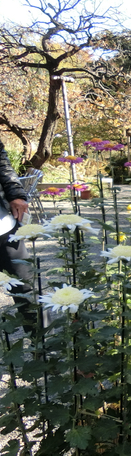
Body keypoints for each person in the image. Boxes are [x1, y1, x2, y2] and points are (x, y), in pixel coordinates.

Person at [0, 139, 34, 328]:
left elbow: (1, 161)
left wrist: (16, 194)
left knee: (26, 291)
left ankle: (41, 351)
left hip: (3, 227)